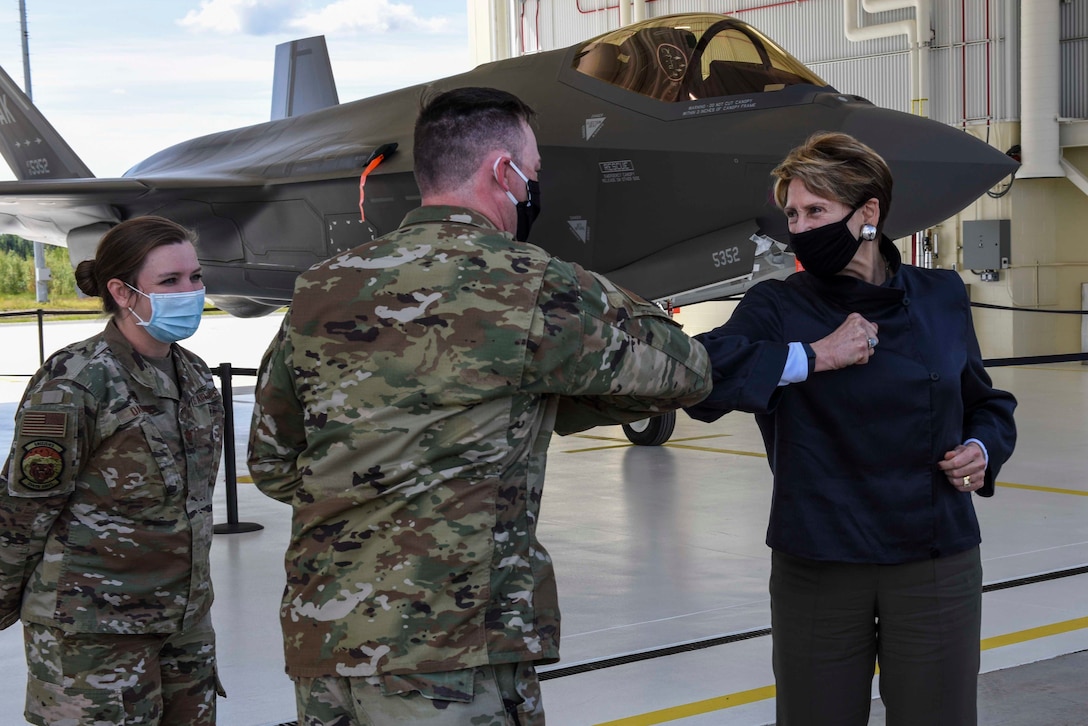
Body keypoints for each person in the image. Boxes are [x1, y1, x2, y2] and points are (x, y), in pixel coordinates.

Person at [247, 86, 711, 725]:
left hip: (325, 640)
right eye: (535, 174)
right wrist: (596, 292)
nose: (534, 190)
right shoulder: (531, 282)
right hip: (451, 652)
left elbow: (272, 464)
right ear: (504, 172)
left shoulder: (322, 287)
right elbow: (685, 370)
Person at [685, 132, 1017, 725]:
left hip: (933, 557)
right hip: (819, 561)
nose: (801, 226)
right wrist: (810, 357)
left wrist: (981, 447)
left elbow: (986, 403)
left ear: (868, 213)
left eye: (817, 211)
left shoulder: (940, 294)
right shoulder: (777, 306)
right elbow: (699, 377)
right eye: (792, 213)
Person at [0, 216, 225, 725]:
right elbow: (23, 511)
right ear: (122, 292)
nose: (189, 292)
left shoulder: (191, 372)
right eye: (169, 282)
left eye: (195, 276)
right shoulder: (77, 379)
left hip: (182, 620)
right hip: (92, 629)